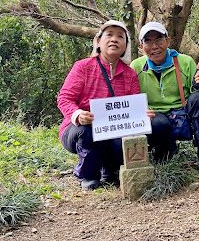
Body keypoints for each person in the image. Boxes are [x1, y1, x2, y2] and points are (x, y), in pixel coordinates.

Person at [131, 21, 199, 179]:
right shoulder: (136, 67)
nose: (154, 46)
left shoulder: (185, 62)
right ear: (141, 46)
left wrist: (198, 85)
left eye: (159, 39)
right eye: (148, 41)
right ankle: (164, 156)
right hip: (155, 118)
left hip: (182, 114)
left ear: (167, 41)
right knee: (157, 123)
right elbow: (131, 100)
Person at [57, 20, 145, 190]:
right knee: (88, 131)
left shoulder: (130, 75)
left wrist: (142, 115)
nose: (114, 39)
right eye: (109, 35)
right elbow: (64, 99)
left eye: (120, 36)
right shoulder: (82, 67)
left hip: (113, 131)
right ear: (98, 42)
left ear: (125, 45)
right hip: (78, 129)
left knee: (126, 140)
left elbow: (134, 107)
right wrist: (78, 114)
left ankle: (109, 169)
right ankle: (88, 175)